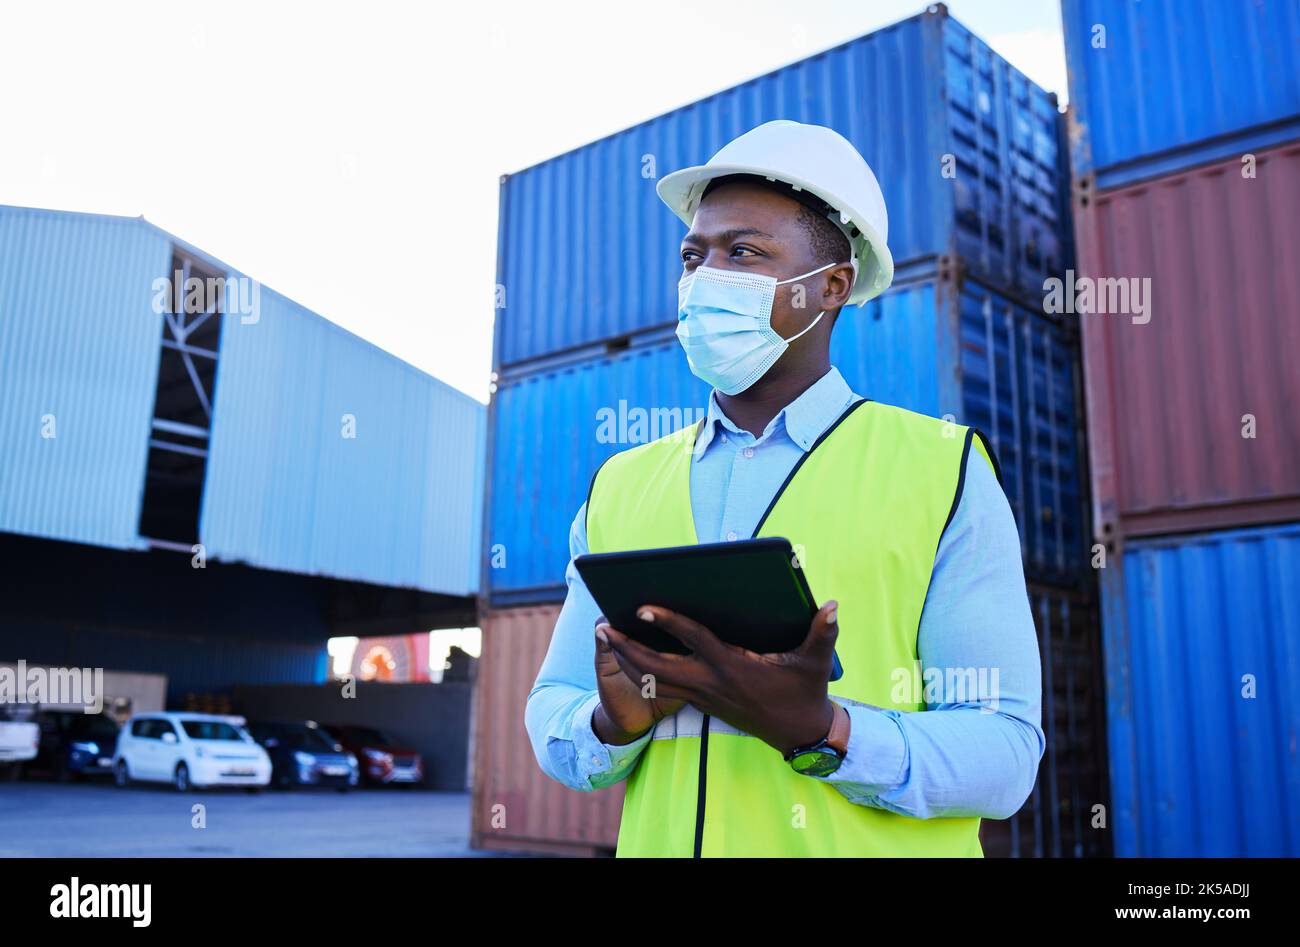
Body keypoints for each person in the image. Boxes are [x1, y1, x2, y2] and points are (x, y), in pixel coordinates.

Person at [525, 120, 1044, 857]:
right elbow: (554, 707)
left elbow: (1006, 754)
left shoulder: (943, 470)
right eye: (691, 256)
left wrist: (824, 729)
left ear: (830, 286)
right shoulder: (619, 485)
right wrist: (612, 724)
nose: (703, 279)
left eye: (742, 252)